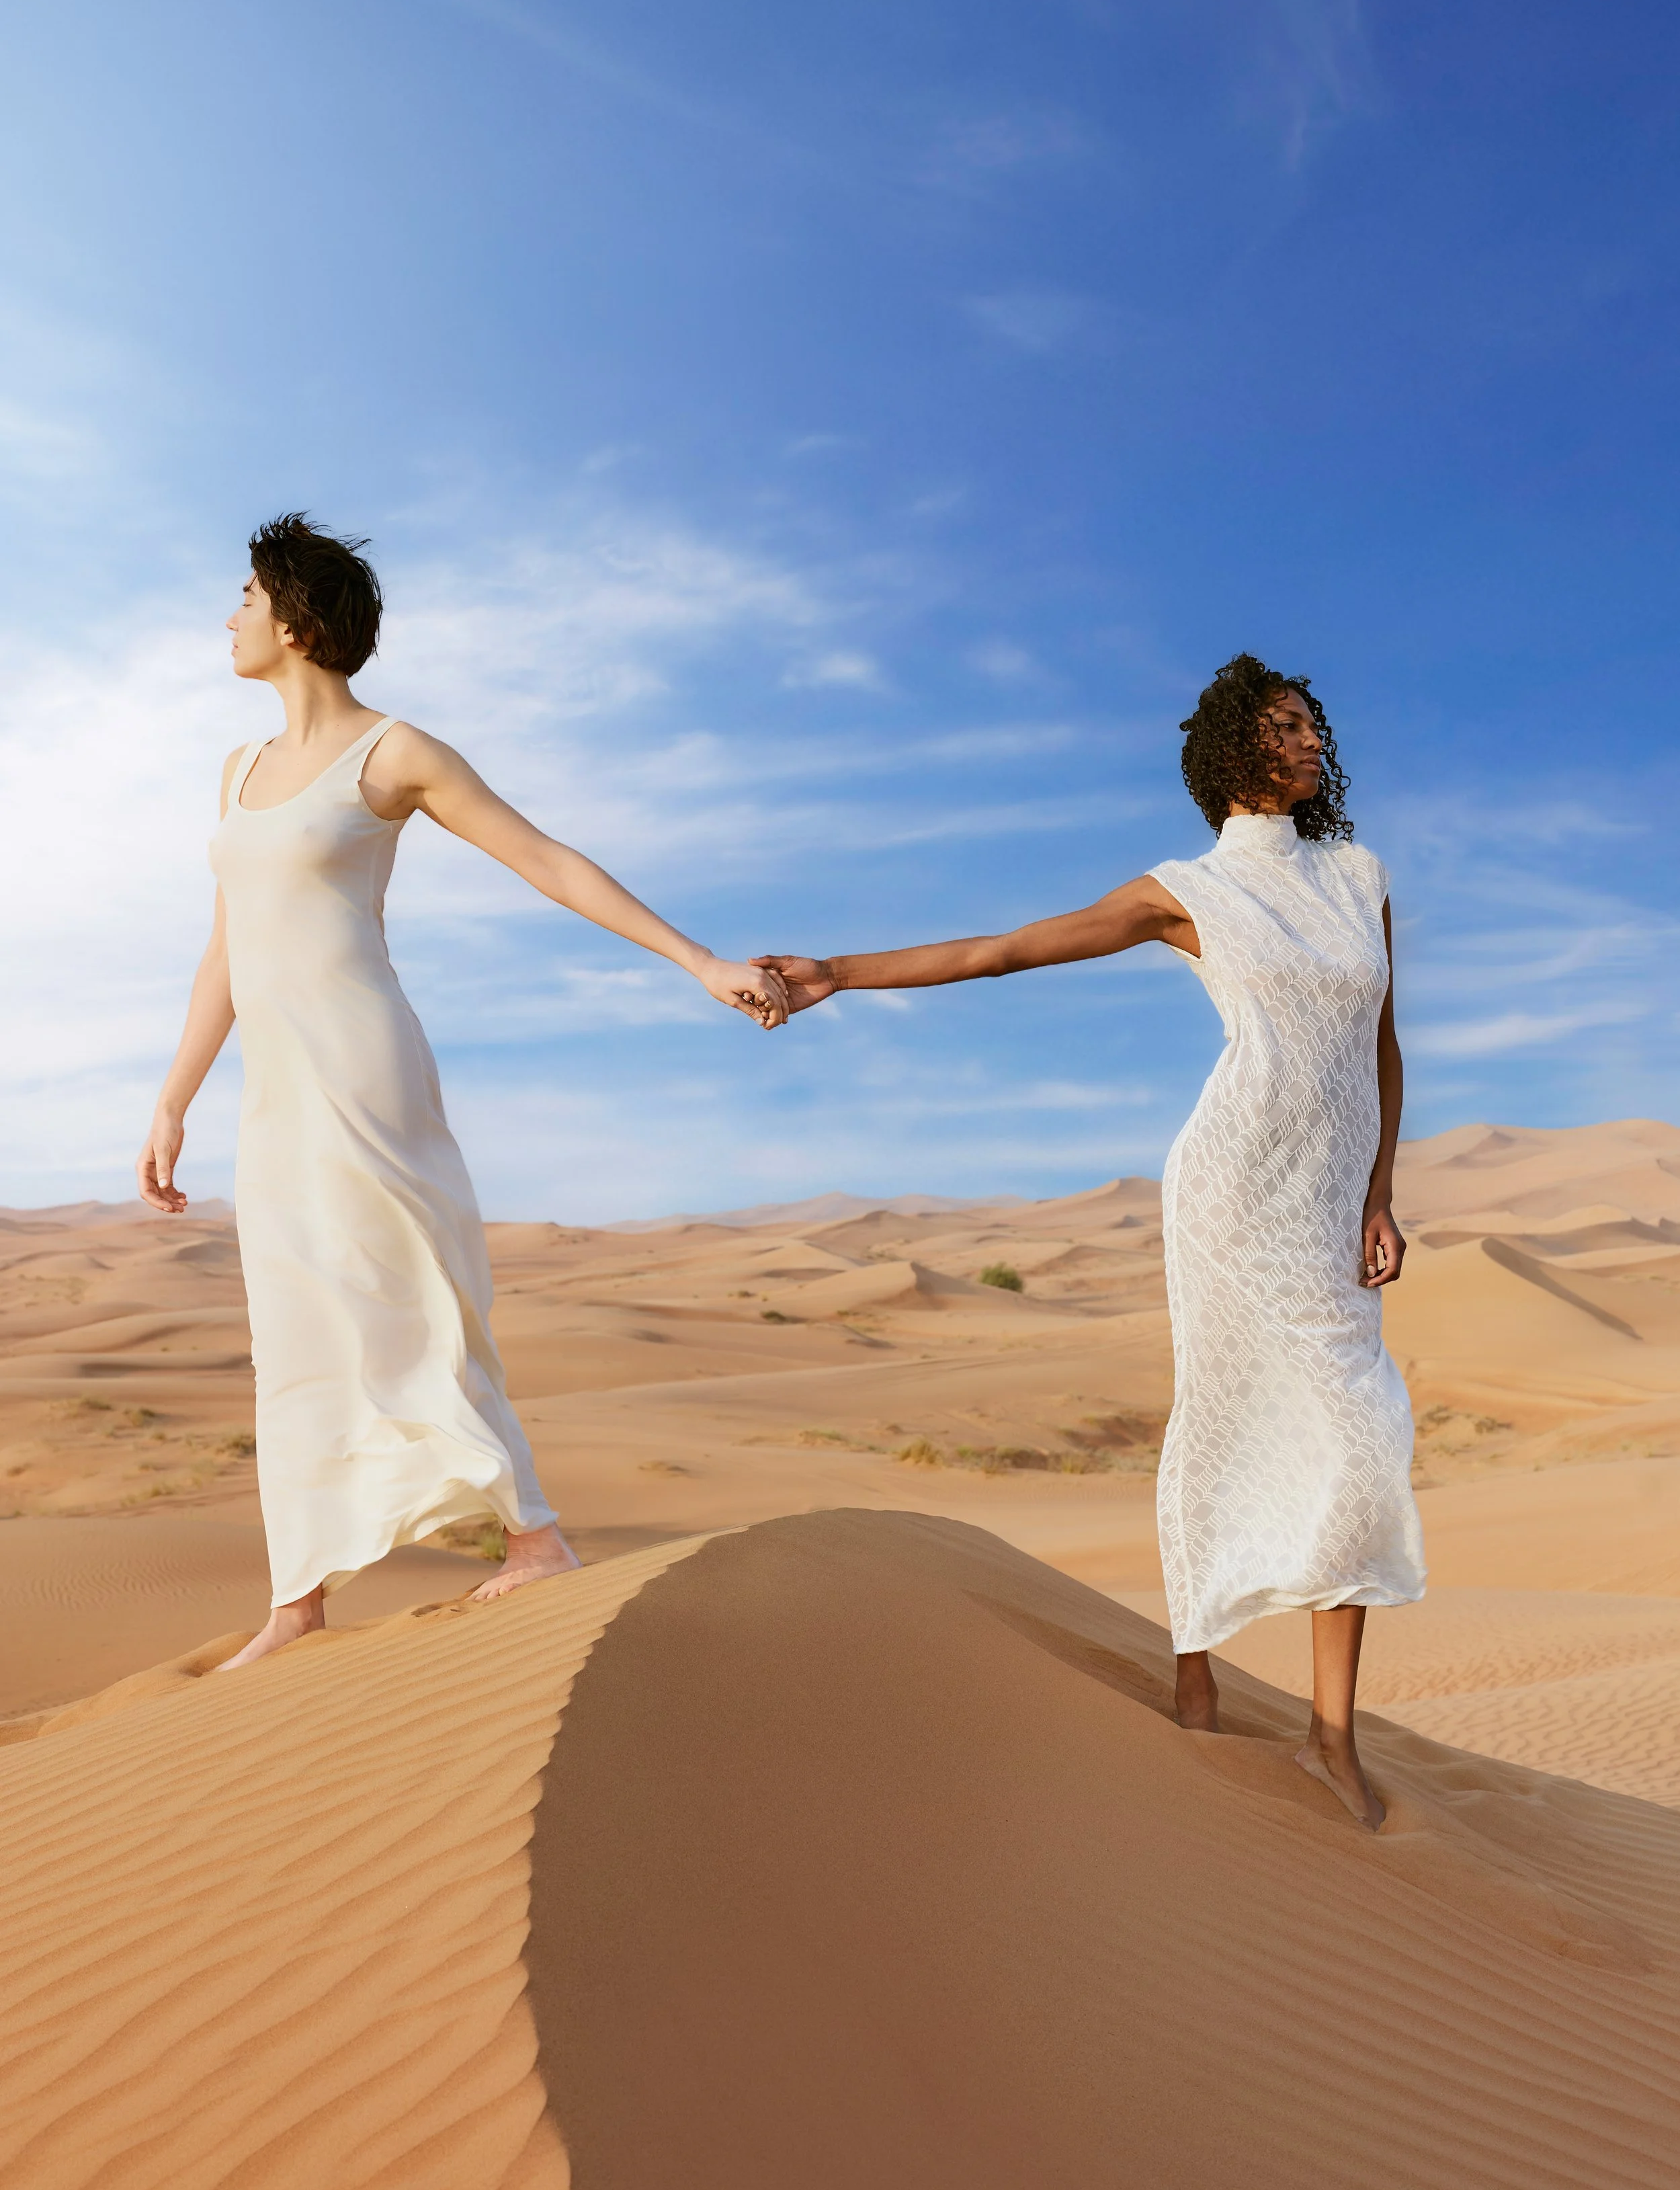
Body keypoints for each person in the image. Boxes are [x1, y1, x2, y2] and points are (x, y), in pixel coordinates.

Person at [756, 653, 1423, 1830]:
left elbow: (1382, 1045)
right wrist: (839, 976)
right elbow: (1009, 947)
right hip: (1233, 1189)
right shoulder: (1185, 890)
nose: (1312, 737)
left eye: (1315, 720)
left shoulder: (1360, 875)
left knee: (1361, 1437)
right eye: (1286, 724)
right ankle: (1195, 1677)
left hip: (1327, 1207)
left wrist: (1379, 1193)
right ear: (1234, 752)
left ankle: (1333, 1739)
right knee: (1219, 1414)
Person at [138, 514, 786, 1670]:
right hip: (273, 1091)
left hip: (363, 1061)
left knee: (408, 1288)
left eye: (244, 595)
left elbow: (546, 859)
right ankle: (300, 1597)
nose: (227, 616)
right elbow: (225, 947)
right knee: (290, 1321)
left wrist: (699, 961)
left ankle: (534, 1534)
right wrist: (174, 1097)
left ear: (295, 621)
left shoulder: (395, 753)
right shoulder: (235, 773)